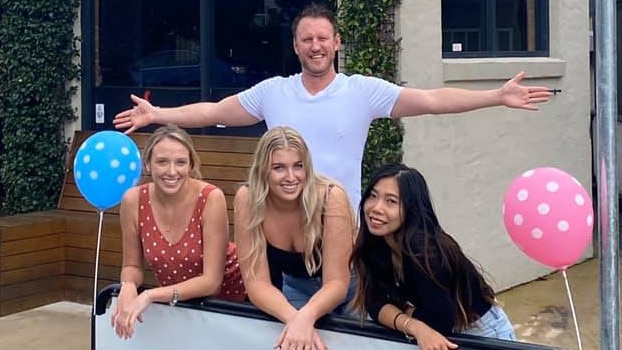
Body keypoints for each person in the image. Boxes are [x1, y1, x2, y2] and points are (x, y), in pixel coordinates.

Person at [112, 3, 553, 212]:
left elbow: (433, 100)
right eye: (307, 39)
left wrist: (496, 95)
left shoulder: (362, 91)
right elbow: (213, 112)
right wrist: (158, 116)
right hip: (282, 231)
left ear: (337, 43)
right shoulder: (273, 92)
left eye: (324, 38)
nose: (316, 46)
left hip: (344, 228)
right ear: (296, 45)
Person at [350, 163, 515, 350]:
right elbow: (374, 303)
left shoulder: (423, 250)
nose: (376, 208)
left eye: (391, 201)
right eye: (373, 196)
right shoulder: (375, 243)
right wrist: (414, 325)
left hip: (480, 332)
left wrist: (403, 313)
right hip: (435, 334)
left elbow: (438, 320)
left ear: (411, 208)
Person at [111, 124, 246, 340]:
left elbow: (211, 282)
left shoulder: (211, 198)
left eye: (180, 162)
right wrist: (127, 286)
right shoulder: (133, 200)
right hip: (181, 304)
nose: (172, 171)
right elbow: (132, 265)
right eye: (162, 162)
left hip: (235, 303)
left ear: (191, 165)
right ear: (147, 164)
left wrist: (149, 295)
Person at [234, 126, 355, 350]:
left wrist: (305, 317)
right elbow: (256, 282)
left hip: (350, 289)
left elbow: (337, 282)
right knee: (293, 343)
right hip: (295, 287)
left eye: (298, 166)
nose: (291, 177)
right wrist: (295, 320)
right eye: (279, 168)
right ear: (263, 171)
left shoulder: (330, 197)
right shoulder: (248, 199)